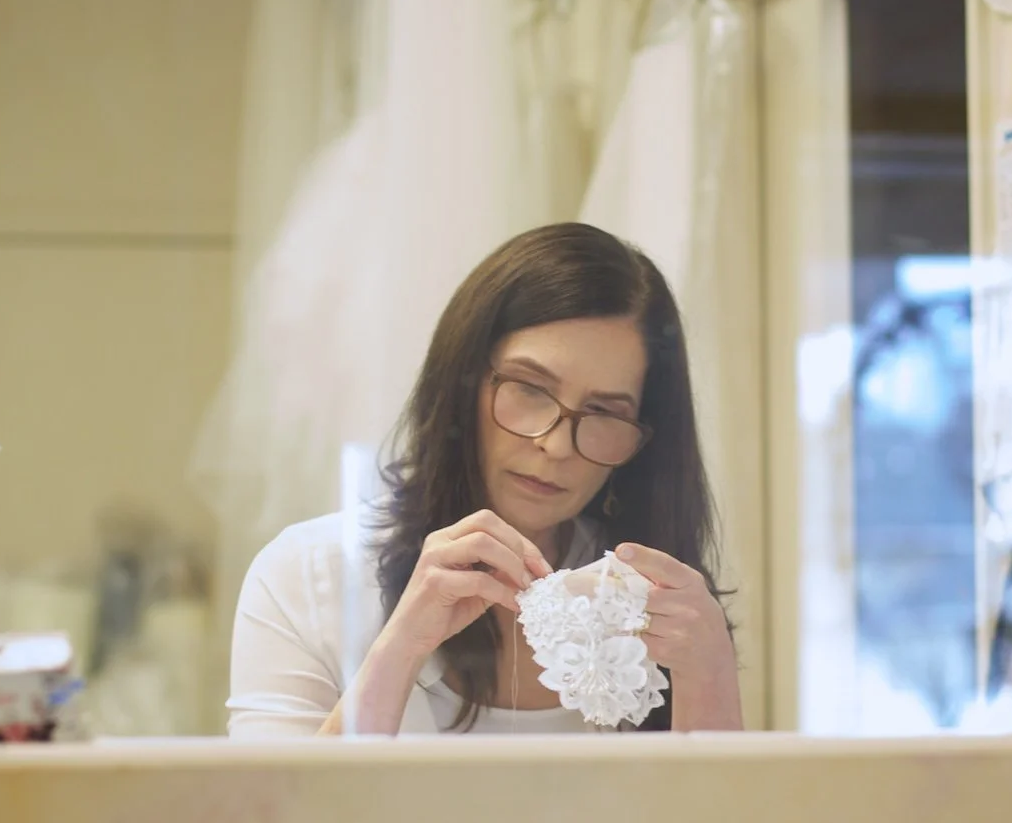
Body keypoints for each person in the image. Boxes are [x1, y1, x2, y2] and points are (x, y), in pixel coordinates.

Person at [227, 222, 741, 736]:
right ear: (463, 381)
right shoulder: (307, 576)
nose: (556, 445)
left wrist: (710, 673)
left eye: (604, 411)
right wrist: (401, 646)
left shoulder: (652, 600)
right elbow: (270, 815)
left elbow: (715, 816)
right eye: (531, 389)